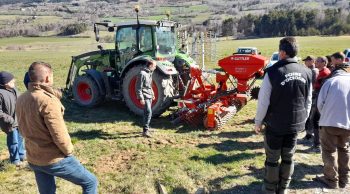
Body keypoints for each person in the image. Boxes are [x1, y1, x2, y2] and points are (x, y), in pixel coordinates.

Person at [16, 61, 98, 194]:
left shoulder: (21, 98)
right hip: (53, 159)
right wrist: (69, 151)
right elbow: (59, 133)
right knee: (90, 182)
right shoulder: (48, 101)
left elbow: (22, 127)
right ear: (47, 78)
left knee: (47, 191)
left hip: (34, 157)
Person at [255, 37, 312, 194]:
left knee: (272, 159)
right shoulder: (307, 72)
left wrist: (258, 122)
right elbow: (308, 100)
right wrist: (302, 119)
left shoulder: (273, 72)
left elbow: (263, 102)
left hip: (275, 125)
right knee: (289, 157)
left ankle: (269, 189)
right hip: (295, 125)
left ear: (282, 52)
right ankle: (284, 188)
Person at [315, 55, 350, 189]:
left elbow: (320, 103)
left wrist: (326, 115)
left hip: (329, 121)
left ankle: (331, 179)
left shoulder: (331, 82)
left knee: (329, 151)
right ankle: (344, 179)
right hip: (347, 123)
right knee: (344, 149)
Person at [0, 71, 26, 166]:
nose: (14, 81)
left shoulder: (14, 89)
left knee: (20, 138)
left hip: (19, 120)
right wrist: (9, 119)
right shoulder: (1, 93)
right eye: (12, 80)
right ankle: (15, 160)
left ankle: (22, 155)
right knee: (13, 141)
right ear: (6, 83)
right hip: (9, 123)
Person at [308, 56, 331, 151]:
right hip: (317, 97)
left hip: (320, 99)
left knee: (316, 120)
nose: (315, 62)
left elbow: (320, 87)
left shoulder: (325, 73)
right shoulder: (319, 72)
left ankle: (318, 144)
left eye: (318, 61)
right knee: (315, 120)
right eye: (316, 61)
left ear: (324, 63)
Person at [136, 60, 156, 138]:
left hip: (149, 95)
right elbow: (138, 87)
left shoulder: (149, 73)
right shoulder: (142, 74)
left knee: (146, 112)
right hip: (144, 96)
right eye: (154, 66)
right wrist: (141, 98)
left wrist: (153, 94)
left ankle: (146, 128)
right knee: (148, 112)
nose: (155, 67)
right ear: (150, 65)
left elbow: (149, 86)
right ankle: (145, 131)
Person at [302, 55, 319, 142]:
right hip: (310, 95)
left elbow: (312, 85)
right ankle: (308, 134)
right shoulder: (309, 70)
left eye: (307, 61)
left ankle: (309, 134)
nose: (305, 62)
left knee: (310, 116)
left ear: (312, 61)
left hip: (312, 95)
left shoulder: (313, 71)